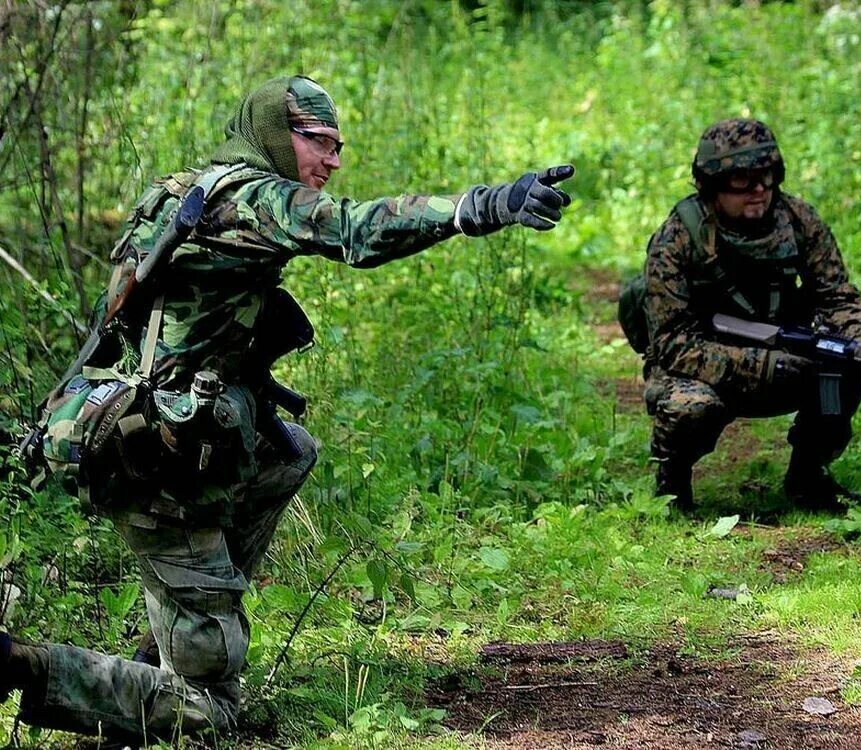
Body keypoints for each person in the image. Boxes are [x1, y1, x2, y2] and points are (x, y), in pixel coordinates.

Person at [1, 75, 573, 741]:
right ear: (276, 135)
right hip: (165, 466)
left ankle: (175, 641)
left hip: (154, 433)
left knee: (287, 449)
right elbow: (355, 231)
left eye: (339, 146)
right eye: (319, 143)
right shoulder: (251, 197)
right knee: (210, 713)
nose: (332, 160)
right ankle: (24, 666)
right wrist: (479, 206)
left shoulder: (187, 189)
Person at [640, 118, 861, 513]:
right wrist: (761, 366)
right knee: (690, 408)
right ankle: (672, 483)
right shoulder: (678, 238)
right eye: (741, 180)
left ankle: (808, 476)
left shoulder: (799, 220)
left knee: (848, 358)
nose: (757, 190)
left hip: (788, 357)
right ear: (711, 184)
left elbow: (839, 299)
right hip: (703, 369)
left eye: (766, 176)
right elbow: (672, 344)